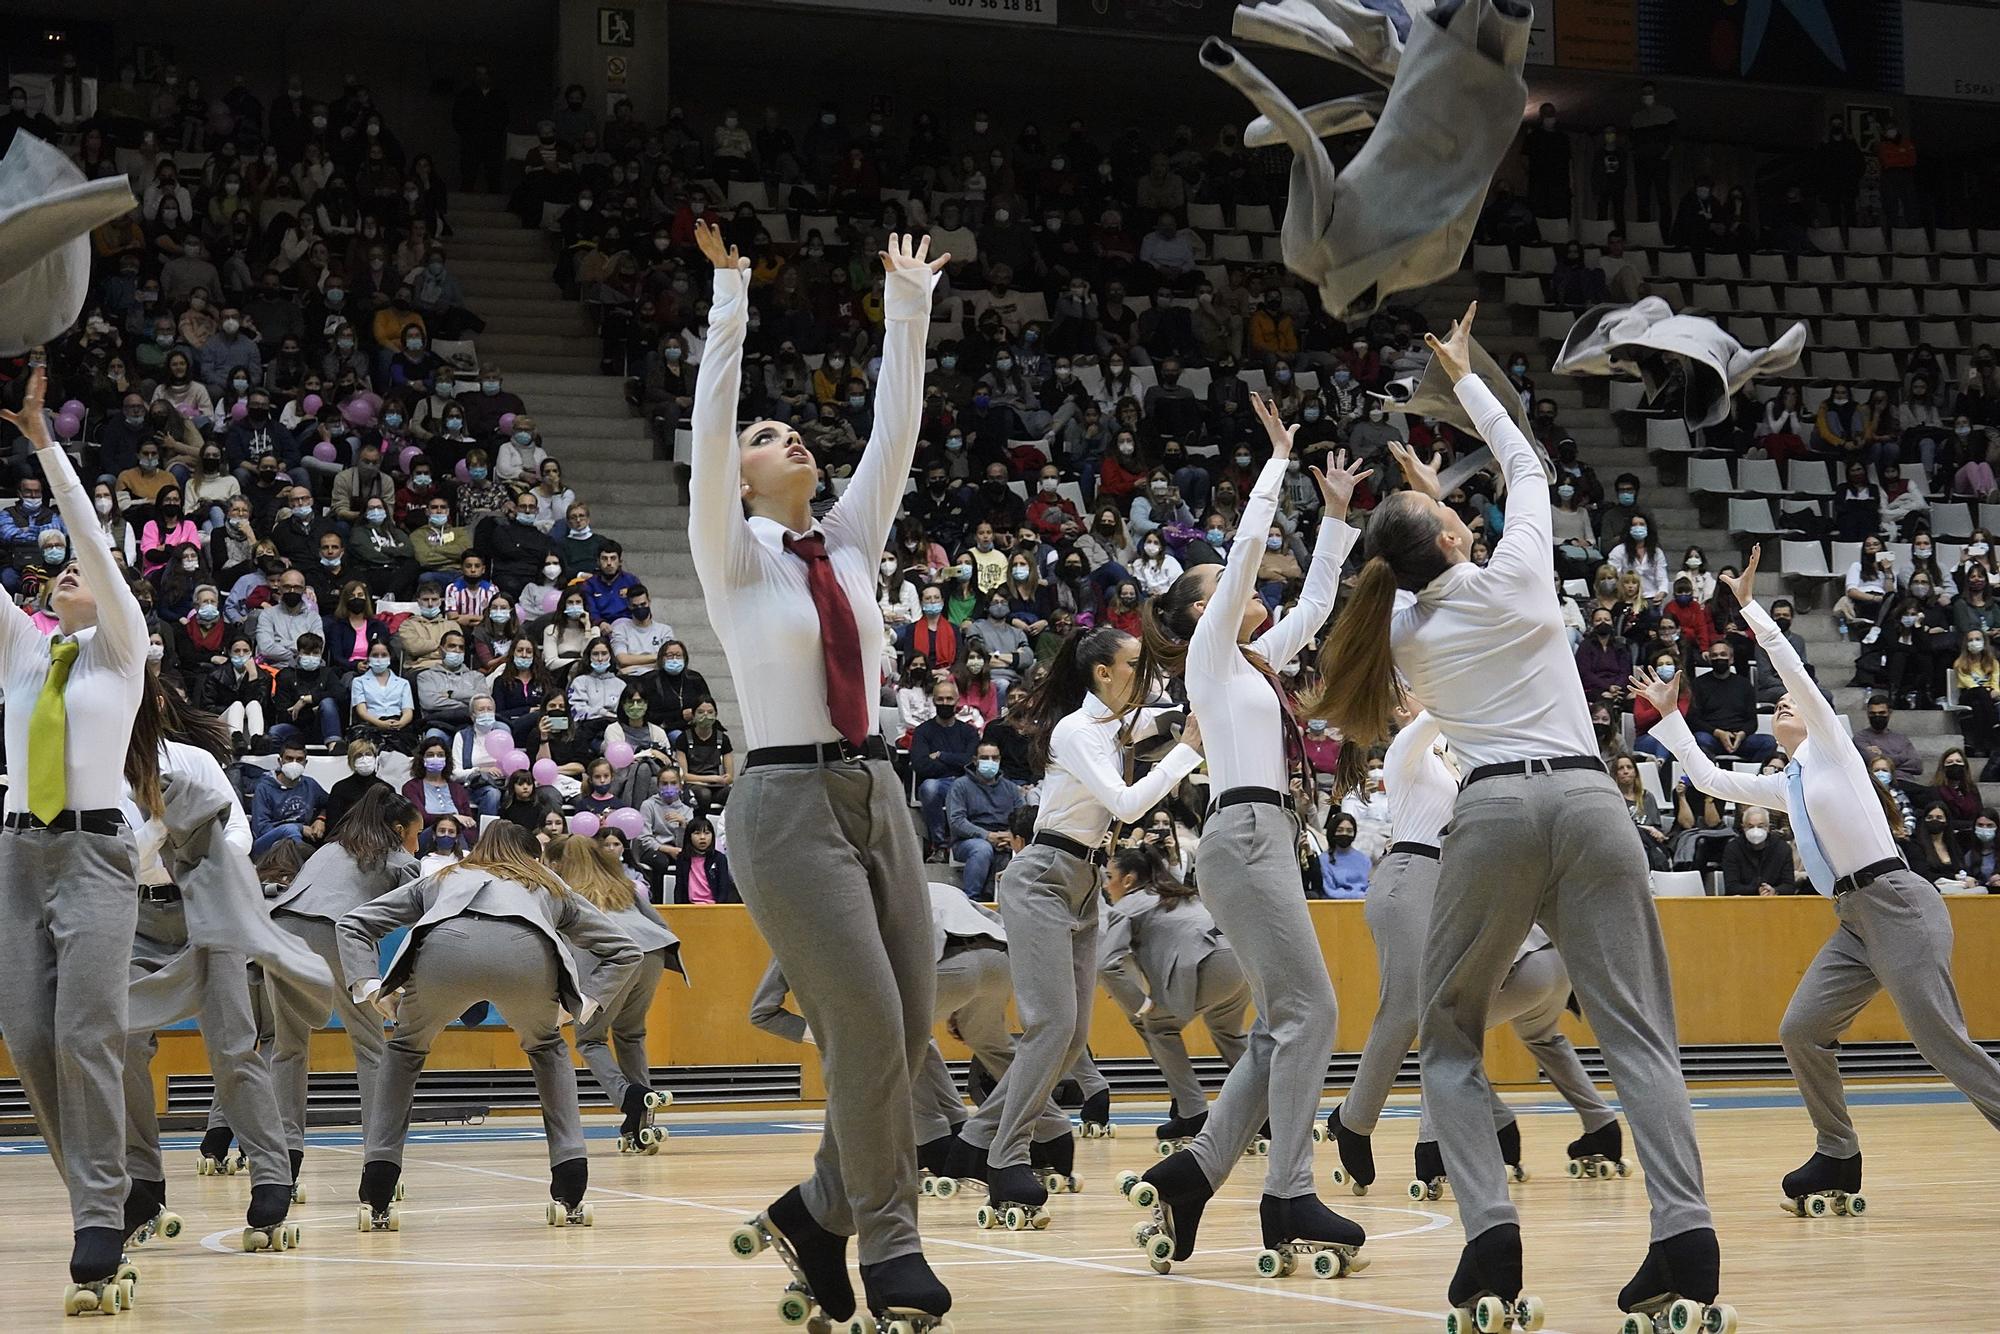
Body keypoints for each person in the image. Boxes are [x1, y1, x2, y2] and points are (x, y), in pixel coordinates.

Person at [1307, 306, 1723, 1328]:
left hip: (1488, 812)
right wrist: (1465, 376)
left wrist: (1403, 509)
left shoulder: (1397, 630)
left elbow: (1395, 562)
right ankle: (1683, 1231)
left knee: (1446, 1031)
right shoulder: (1519, 574)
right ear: (1454, 534)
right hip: (1589, 799)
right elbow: (1526, 464)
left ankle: (1487, 1234)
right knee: (1637, 1032)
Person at [685, 223, 952, 1329]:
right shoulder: (730, 550)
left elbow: (898, 426)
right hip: (785, 803)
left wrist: (906, 306)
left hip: (875, 791)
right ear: (738, 472)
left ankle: (814, 1209)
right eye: (765, 432)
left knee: (906, 1019)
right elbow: (706, 432)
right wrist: (730, 298)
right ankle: (890, 1239)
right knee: (862, 1019)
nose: (784, 435)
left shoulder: (846, 540)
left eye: (793, 429)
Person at [1633, 547, 2000, 1217]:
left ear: (1816, 715)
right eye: (1773, 708)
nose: (1780, 708)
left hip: (1898, 903)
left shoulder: (1833, 748)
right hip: (1856, 920)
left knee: (1942, 1041)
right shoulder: (1788, 782)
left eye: (1790, 707)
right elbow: (1712, 780)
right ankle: (1837, 1152)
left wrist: (1747, 607)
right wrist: (1670, 716)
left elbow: (1794, 674)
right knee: (1801, 1029)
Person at [1122, 392, 1369, 1278]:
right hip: (1246, 834)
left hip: (1258, 835)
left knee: (1279, 1026)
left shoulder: (1253, 664)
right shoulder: (1209, 651)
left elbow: (1315, 601)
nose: (1254, 592)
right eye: (1224, 592)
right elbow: (1240, 568)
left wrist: (1336, 516)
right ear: (1199, 613)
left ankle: (1197, 1171)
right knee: (1316, 1012)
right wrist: (1272, 465)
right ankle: (1290, 1191)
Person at [952, 627, 1205, 1221]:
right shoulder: (1075, 730)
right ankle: (1006, 1158)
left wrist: (1198, 704)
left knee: (1069, 1038)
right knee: (1052, 1025)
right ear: (1103, 673)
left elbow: (1164, 717)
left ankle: (969, 1143)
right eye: (1135, 663)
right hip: (1042, 875)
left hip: (1086, 883)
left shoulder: (1116, 726)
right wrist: (1189, 749)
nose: (1144, 672)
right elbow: (1126, 803)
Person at [0, 370, 159, 1311]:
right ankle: (96, 1201)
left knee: (85, 1030)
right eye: (55, 571)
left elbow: (94, 545)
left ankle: (97, 1217)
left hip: (97, 853)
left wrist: (44, 447)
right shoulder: (23, 653)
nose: (71, 574)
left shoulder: (122, 647)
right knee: (28, 1038)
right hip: (17, 855)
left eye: (84, 576)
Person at [1323, 706, 1625, 1192]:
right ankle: (1357, 1124)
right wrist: (1442, 691)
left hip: (1450, 886)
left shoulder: (1452, 760)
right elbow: (1437, 713)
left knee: (1439, 1017)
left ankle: (1425, 1143)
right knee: (1404, 1011)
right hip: (1407, 877)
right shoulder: (1405, 752)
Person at [335, 822, 641, 1228]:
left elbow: (352, 923)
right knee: (547, 1049)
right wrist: (583, 1004)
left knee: (405, 1051)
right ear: (531, 855)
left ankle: (378, 1182)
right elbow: (625, 950)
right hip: (527, 954)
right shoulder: (547, 882)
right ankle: (571, 1180)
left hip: (443, 952)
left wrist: (371, 987)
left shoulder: (443, 875)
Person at [118, 686, 324, 1258]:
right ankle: (143, 1182)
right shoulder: (94, 765)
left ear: (154, 705)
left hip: (206, 903)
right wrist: (162, 836)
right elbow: (113, 854)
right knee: (125, 1042)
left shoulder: (195, 760)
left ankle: (270, 1174)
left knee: (234, 1044)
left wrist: (177, 850)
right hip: (128, 914)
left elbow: (235, 836)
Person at [265, 786, 423, 1197]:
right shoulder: (397, 856)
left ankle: (285, 1164)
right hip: (335, 933)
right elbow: (426, 913)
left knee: (288, 1047)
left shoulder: (332, 847)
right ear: (399, 828)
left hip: (279, 931)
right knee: (371, 1049)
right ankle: (379, 1162)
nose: (417, 843)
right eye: (416, 834)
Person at [1099, 843, 1247, 1144]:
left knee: (1158, 1026)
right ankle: (1265, 1112)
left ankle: (1192, 1112)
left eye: (1108, 876)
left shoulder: (1126, 907)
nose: (1105, 884)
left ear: (1128, 880)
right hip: (1242, 958)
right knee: (1228, 1034)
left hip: (1209, 964)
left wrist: (1140, 1005)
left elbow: (1106, 965)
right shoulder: (1176, 892)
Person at [552, 836, 687, 1151]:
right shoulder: (624, 884)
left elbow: (559, 943)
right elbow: (660, 923)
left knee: (590, 1039)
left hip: (612, 959)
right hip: (652, 952)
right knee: (631, 1033)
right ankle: (643, 1120)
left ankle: (628, 1097)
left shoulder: (565, 893)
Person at [945, 741, 1027, 900]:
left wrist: (1010, 836)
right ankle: (972, 901)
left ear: (1000, 760)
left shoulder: (1011, 789)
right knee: (982, 849)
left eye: (994, 758)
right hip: (968, 841)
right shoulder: (960, 786)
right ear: (975, 760)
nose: (990, 762)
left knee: (1022, 850)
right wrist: (987, 835)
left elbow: (1022, 818)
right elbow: (956, 821)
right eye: (985, 757)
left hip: (1005, 840)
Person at [1688, 638, 1776, 764]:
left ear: (1731, 659)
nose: (1719, 658)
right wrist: (1718, 733)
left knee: (1768, 742)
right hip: (1712, 738)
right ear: (1709, 659)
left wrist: (1742, 734)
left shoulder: (1745, 685)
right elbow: (1693, 720)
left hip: (1740, 740)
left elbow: (1752, 721)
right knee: (1699, 739)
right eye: (1715, 655)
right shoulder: (1698, 684)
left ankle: (1749, 775)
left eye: (1723, 654)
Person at [248, 739, 329, 855]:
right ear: (280, 761)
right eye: (289, 759)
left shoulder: (310, 784)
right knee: (290, 829)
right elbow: (261, 829)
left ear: (305, 763)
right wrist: (299, 828)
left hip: (303, 839)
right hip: (268, 844)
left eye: (299, 760)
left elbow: (331, 803)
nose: (294, 763)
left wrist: (321, 819)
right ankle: (303, 856)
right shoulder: (264, 788)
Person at [1720, 807, 1795, 896]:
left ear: (1768, 827)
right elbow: (1731, 887)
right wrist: (1757, 890)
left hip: (1775, 903)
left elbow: (1789, 886)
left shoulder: (1782, 849)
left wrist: (1774, 890)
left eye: (1760, 826)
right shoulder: (1733, 849)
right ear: (1743, 828)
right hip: (1743, 903)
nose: (1755, 830)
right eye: (1750, 826)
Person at [1854, 695, 1923, 781]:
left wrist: (1881, 755)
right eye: (1873, 713)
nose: (1877, 716)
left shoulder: (1901, 738)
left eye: (1882, 713)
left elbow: (1917, 766)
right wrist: (1903, 757)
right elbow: (1872, 761)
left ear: (1889, 713)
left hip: (1906, 782)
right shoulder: (1861, 737)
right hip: (1879, 784)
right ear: (1867, 714)